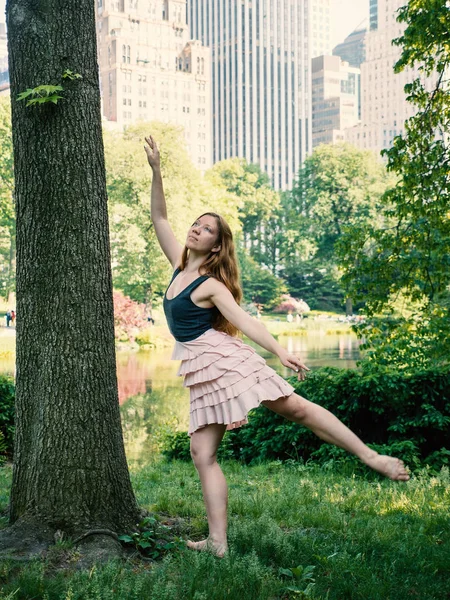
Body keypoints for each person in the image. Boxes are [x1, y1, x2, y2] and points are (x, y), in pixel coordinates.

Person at [144, 135, 409, 558]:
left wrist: (278, 350)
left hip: (222, 359)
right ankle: (217, 543)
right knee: (202, 453)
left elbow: (244, 319)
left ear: (216, 245)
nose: (197, 228)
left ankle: (371, 457)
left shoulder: (209, 284)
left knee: (296, 408)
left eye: (208, 228)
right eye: (197, 222)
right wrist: (157, 171)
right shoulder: (178, 262)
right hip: (201, 365)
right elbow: (159, 216)